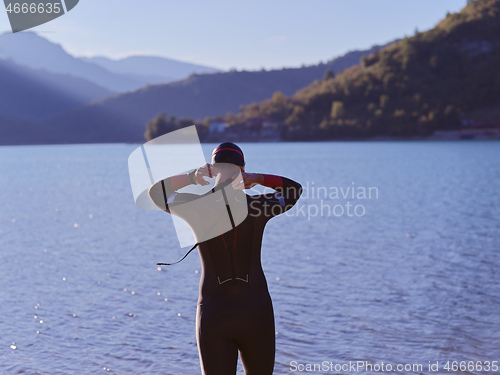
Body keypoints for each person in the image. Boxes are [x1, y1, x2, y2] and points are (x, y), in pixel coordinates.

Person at [148, 142, 302, 375]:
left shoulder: (195, 206)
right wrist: (257, 177)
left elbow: (155, 193)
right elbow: (294, 190)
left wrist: (191, 177)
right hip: (256, 310)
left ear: (212, 169)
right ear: (242, 168)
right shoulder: (258, 206)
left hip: (214, 313)